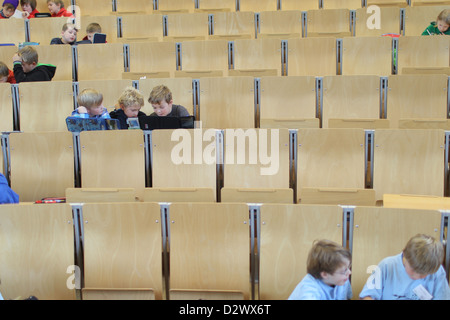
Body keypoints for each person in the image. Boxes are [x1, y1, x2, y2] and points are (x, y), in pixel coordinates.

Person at [360, 234, 450, 300]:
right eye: (414, 270)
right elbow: (368, 296)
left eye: (425, 274)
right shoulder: (387, 266)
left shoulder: (437, 272)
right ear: (404, 255)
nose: (419, 277)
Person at [288, 239, 352, 300]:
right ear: (325, 274)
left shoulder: (343, 279)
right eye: (344, 271)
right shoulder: (309, 290)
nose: (349, 272)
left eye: (348, 267)